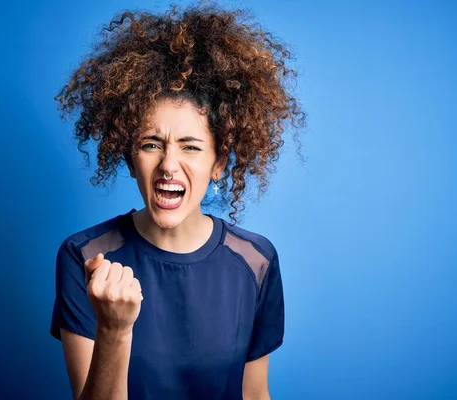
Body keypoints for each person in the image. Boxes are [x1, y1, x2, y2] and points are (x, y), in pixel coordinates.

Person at [50, 2, 305, 399]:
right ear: (131, 160)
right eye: (151, 144)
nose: (169, 165)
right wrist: (114, 330)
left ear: (218, 162)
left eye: (190, 147)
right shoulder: (84, 257)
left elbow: (255, 395)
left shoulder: (257, 261)